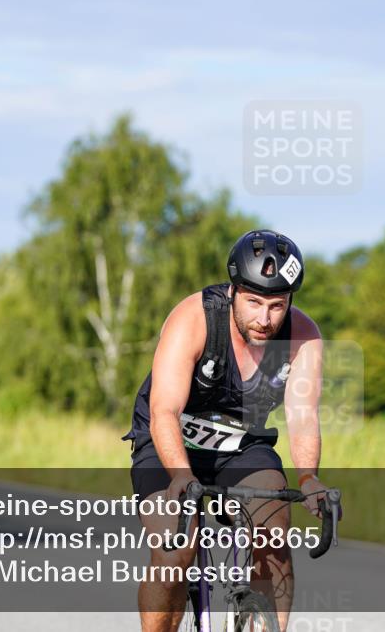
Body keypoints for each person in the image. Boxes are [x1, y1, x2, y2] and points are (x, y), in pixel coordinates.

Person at [123, 229, 330, 632]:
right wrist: (182, 475)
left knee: (273, 535)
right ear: (233, 290)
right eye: (254, 302)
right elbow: (164, 410)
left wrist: (307, 477)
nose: (265, 319)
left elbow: (302, 413)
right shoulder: (194, 319)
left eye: (277, 305)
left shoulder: (303, 336)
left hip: (241, 445)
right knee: (174, 548)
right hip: (169, 440)